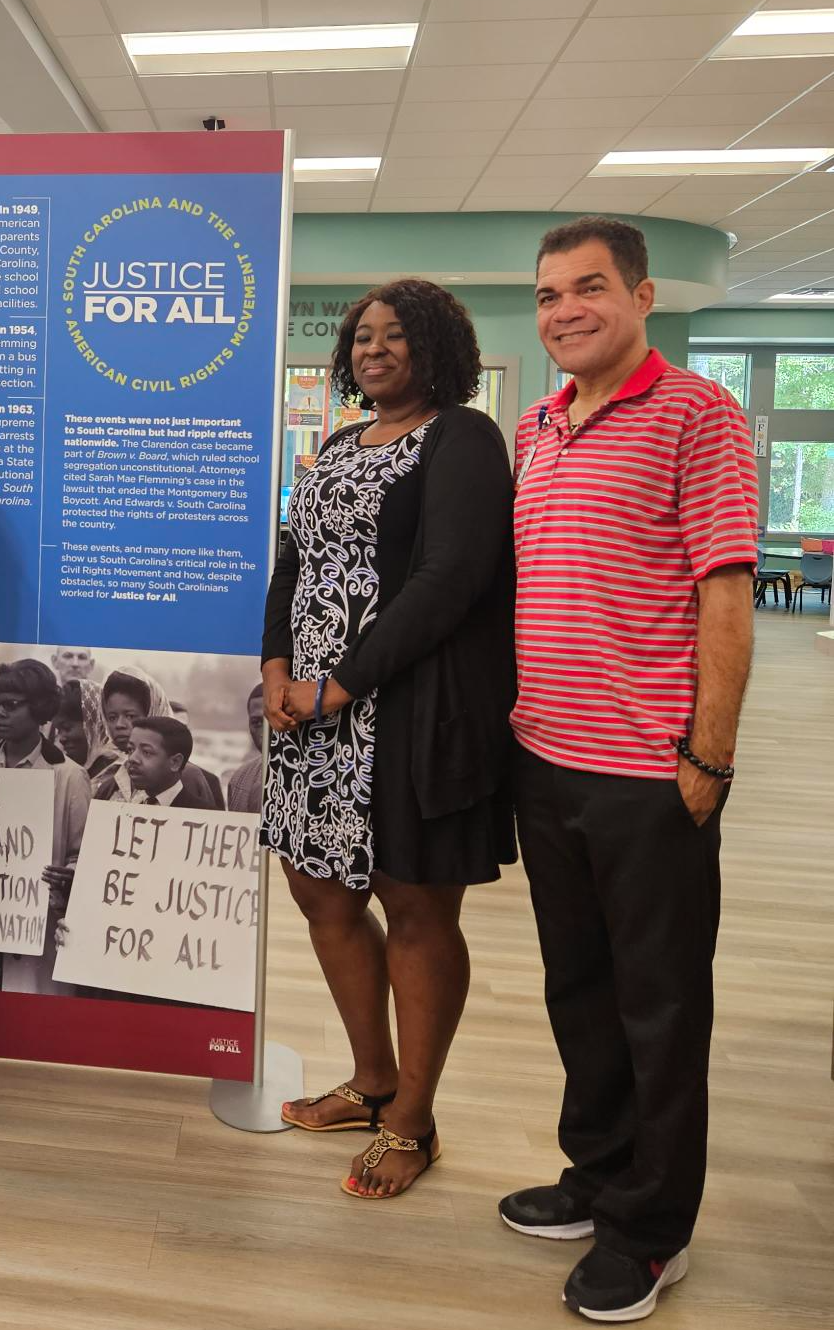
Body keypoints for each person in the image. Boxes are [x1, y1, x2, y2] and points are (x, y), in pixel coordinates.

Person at [499, 218, 758, 1323]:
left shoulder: (699, 414)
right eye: (551, 293)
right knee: (579, 990)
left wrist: (709, 755)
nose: (565, 311)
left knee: (659, 1006)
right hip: (544, 760)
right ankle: (599, 1174)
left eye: (589, 288)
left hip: (649, 777)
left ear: (643, 296)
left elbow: (726, 595)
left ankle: (654, 1229)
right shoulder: (537, 424)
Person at [263, 278, 516, 1200]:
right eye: (362, 336)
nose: (374, 349)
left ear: (437, 347)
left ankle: (414, 1115)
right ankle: (371, 1081)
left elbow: (450, 579)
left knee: (415, 908)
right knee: (319, 890)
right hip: (311, 713)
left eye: (395, 335)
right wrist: (276, 671)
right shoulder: (333, 446)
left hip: (407, 711)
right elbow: (293, 564)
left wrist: (343, 683)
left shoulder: (462, 439)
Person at [0, 659, 90, 994]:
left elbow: (84, 857)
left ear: (39, 708)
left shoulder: (69, 776)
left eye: (12, 705)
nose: (1, 714)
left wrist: (69, 875)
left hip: (34, 931)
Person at [96, 667, 224, 808]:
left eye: (130, 716)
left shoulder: (186, 777)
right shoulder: (110, 779)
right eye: (112, 717)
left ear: (153, 713)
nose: (119, 725)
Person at [123, 717, 213, 809]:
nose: (132, 758)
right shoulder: (125, 810)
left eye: (146, 752)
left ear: (175, 762)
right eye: (130, 750)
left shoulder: (204, 816)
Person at [53, 678, 120, 783]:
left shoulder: (113, 772)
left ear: (93, 724)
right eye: (59, 731)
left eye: (66, 728)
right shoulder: (83, 768)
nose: (62, 738)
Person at [225, 683, 265, 814]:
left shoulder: (317, 775)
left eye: (273, 719)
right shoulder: (239, 779)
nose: (266, 730)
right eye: (257, 722)